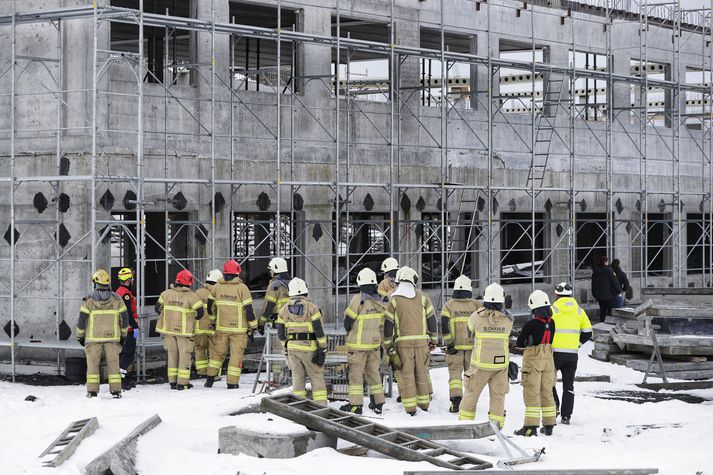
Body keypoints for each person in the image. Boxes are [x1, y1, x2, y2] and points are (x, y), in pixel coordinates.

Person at [383, 266, 438, 416]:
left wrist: (388, 345)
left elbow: (388, 325)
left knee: (406, 375)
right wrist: (434, 339)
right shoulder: (423, 297)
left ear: (399, 280)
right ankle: (424, 405)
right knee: (422, 372)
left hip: (403, 345)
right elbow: (432, 320)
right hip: (422, 344)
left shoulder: (394, 300)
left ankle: (410, 409)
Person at [458, 283, 513, 429]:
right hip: (500, 366)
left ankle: (464, 426)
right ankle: (496, 429)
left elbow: (469, 334)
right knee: (498, 398)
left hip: (480, 365)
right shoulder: (508, 320)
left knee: (470, 395)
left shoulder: (475, 317)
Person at [77, 269, 129, 398]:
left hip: (93, 339)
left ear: (95, 283)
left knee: (93, 366)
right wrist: (123, 335)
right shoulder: (117, 300)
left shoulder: (88, 301)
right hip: (112, 339)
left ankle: (92, 391)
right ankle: (116, 391)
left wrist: (80, 336)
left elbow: (82, 320)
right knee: (113, 365)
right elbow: (125, 318)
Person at [341, 268, 387, 415]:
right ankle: (378, 403)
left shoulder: (358, 299)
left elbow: (348, 321)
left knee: (356, 375)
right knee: (373, 373)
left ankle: (356, 405)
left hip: (358, 345)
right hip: (374, 344)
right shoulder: (380, 301)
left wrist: (349, 330)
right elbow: (382, 323)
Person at [276, 277, 328, 404]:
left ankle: (299, 406)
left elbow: (281, 333)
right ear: (305, 291)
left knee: (297, 379)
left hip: (293, 349)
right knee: (316, 377)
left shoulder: (283, 310)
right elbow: (319, 330)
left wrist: (286, 349)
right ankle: (321, 406)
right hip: (310, 348)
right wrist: (323, 348)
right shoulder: (312, 308)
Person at [205, 259, 256, 389]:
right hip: (238, 330)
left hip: (221, 327)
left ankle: (210, 379)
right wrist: (253, 326)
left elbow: (210, 305)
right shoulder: (242, 288)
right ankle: (232, 383)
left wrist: (212, 320)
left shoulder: (217, 286)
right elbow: (249, 310)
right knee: (236, 355)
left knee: (217, 354)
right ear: (237, 272)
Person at [515, 290, 557, 437]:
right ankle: (549, 425)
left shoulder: (530, 324)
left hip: (533, 360)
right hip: (549, 360)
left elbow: (520, 344)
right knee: (547, 391)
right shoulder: (552, 323)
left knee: (532, 392)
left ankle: (530, 427)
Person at [551, 282, 592, 425]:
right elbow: (588, 332)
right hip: (572, 355)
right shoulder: (580, 311)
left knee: (548, 382)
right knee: (569, 385)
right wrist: (577, 344)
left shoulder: (553, 310)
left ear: (557, 295)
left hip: (554, 353)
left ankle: (554, 406)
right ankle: (566, 416)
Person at [155, 270, 204, 390]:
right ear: (189, 283)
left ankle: (172, 381)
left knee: (172, 355)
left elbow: (157, 308)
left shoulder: (165, 294)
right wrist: (192, 318)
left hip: (168, 331)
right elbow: (200, 313)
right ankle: (182, 383)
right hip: (184, 332)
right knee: (184, 356)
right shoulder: (192, 296)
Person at [441, 275, 481, 413]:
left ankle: (456, 402)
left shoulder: (449, 304)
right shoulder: (476, 305)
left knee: (455, 376)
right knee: (471, 376)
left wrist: (449, 343)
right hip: (472, 349)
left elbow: (444, 325)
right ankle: (470, 404)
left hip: (455, 348)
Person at [194, 269, 222, 377]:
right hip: (213, 328)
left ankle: (201, 372)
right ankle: (214, 374)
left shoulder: (197, 293)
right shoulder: (218, 293)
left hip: (199, 328)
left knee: (200, 349)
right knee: (215, 351)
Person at [115, 267, 138, 390]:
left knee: (124, 354)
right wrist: (135, 327)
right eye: (132, 278)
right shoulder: (126, 294)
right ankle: (121, 380)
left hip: (122, 328)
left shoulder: (119, 291)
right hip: (128, 329)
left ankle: (121, 379)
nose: (133, 280)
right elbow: (128, 312)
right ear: (128, 279)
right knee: (127, 354)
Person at [258, 257, 291, 333]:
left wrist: (261, 324)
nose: (270, 271)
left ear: (276, 269)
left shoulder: (274, 286)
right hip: (293, 321)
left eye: (271, 269)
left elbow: (268, 307)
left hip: (279, 323)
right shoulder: (294, 283)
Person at [591, 255, 622, 322]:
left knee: (602, 311)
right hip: (608, 295)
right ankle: (608, 325)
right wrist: (619, 291)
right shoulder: (608, 270)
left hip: (599, 296)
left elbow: (593, 284)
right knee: (610, 311)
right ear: (605, 262)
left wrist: (594, 294)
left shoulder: (595, 271)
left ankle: (602, 323)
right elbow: (614, 281)